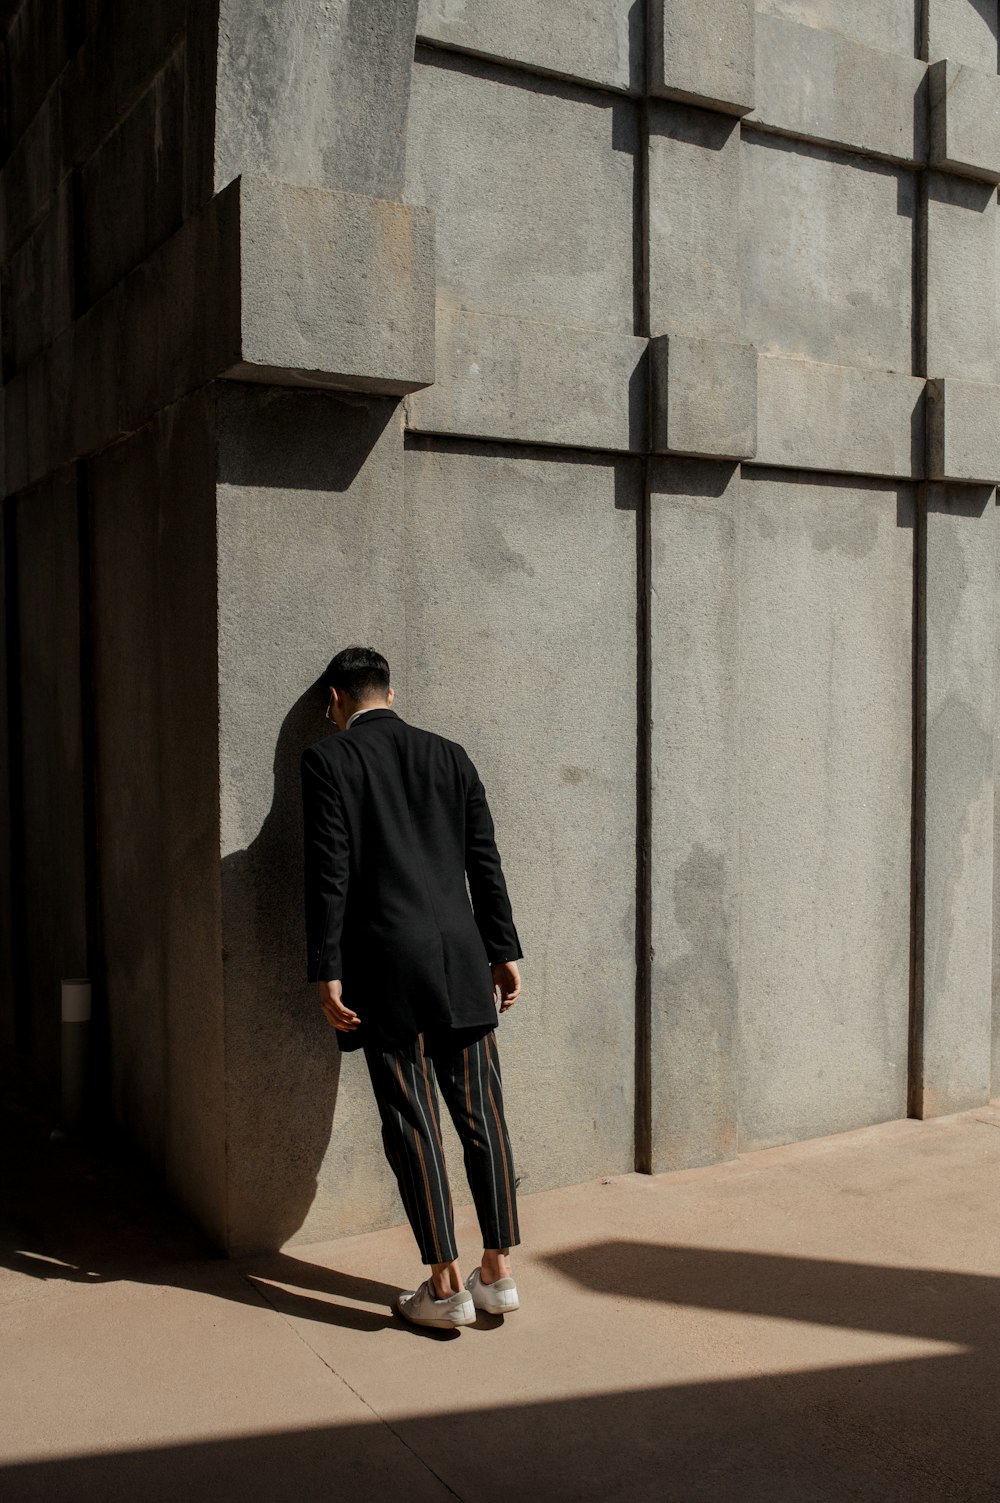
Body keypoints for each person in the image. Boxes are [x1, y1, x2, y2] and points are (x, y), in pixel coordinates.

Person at [300, 645, 524, 1330]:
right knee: (482, 1114)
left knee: (411, 1120)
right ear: (390, 694)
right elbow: (483, 858)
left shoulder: (328, 760)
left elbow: (328, 871)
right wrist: (504, 947)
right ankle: (498, 1272)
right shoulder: (450, 754)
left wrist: (326, 966)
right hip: (461, 956)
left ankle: (444, 1283)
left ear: (336, 698)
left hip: (385, 965)